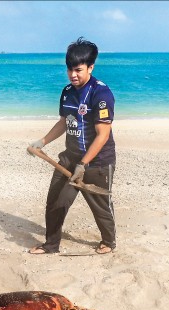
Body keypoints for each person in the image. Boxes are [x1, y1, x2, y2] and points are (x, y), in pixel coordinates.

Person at [27, 37, 116, 255]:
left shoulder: (101, 93)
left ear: (91, 67)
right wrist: (43, 141)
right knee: (56, 202)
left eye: (78, 70)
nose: (73, 75)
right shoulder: (67, 91)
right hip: (69, 158)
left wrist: (84, 164)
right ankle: (51, 245)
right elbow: (64, 122)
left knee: (100, 206)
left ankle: (109, 241)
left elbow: (103, 135)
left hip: (97, 162)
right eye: (69, 70)